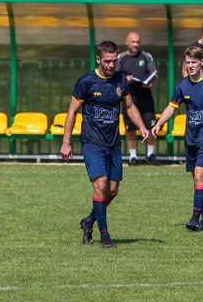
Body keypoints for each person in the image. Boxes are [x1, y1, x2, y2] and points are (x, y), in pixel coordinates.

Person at [61, 41, 149, 247]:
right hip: (92, 142)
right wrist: (66, 142)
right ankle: (105, 236)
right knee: (100, 185)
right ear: (98, 59)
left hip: (113, 143)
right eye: (107, 61)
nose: (111, 65)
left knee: (112, 190)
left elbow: (129, 106)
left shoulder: (120, 80)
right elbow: (72, 112)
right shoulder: (86, 81)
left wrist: (142, 126)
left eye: (114, 61)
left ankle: (88, 221)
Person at [152, 45, 203, 229]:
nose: (190, 66)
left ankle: (194, 219)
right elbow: (171, 107)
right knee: (198, 181)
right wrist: (159, 123)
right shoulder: (182, 85)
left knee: (199, 177)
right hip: (191, 138)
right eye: (187, 62)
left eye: (193, 62)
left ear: (202, 62)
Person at [116, 31, 159, 165]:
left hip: (146, 96)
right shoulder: (121, 58)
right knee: (130, 128)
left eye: (138, 42)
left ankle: (150, 155)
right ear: (126, 42)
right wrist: (125, 80)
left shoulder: (146, 56)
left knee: (151, 126)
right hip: (129, 98)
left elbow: (154, 75)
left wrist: (150, 82)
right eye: (133, 42)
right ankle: (133, 157)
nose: (136, 44)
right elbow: (114, 77)